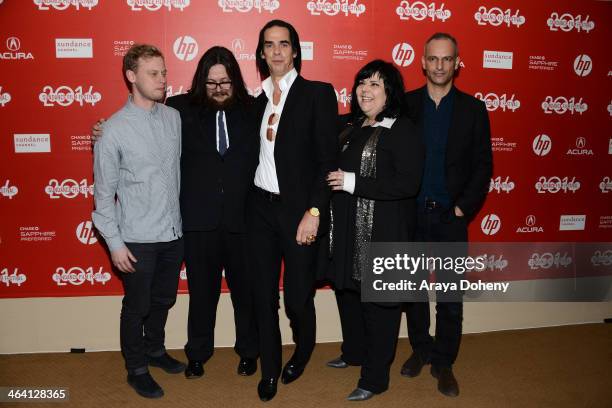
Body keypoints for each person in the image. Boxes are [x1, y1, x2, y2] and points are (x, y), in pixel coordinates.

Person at [92, 47, 260, 379]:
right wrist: (103, 131)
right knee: (200, 295)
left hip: (244, 222)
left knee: (246, 294)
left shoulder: (255, 109)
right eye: (211, 82)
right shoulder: (180, 109)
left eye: (224, 81)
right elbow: (136, 123)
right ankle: (197, 353)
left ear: (235, 80)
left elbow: (293, 132)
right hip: (197, 224)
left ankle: (249, 351)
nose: (218, 87)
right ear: (201, 81)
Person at [247, 19, 338, 401]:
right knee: (262, 295)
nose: (278, 51)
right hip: (260, 212)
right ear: (262, 53)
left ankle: (302, 350)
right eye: (270, 45)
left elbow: (327, 161)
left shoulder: (317, 94)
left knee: (298, 297)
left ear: (296, 50)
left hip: (299, 213)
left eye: (284, 43)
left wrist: (314, 212)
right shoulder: (256, 102)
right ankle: (269, 369)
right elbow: (202, 111)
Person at [325, 59, 424, 401]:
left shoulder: (403, 130)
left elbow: (407, 184)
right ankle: (354, 353)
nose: (365, 90)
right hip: (349, 229)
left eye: (375, 85)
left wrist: (352, 181)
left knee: (379, 306)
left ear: (390, 92)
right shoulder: (351, 126)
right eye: (362, 83)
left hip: (385, 233)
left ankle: (375, 378)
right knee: (348, 294)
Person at [401, 32, 492, 397]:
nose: (439, 65)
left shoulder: (473, 109)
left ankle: (444, 361)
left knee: (451, 296)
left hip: (449, 218)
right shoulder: (405, 106)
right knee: (414, 292)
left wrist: (461, 209)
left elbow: (483, 166)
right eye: (433, 59)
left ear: (457, 63)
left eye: (446, 59)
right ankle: (421, 349)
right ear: (422, 62)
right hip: (411, 216)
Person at [92, 44, 184, 399]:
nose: (162, 80)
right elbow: (103, 196)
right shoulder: (112, 130)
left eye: (163, 72)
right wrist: (114, 243)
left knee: (163, 300)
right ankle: (136, 368)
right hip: (137, 238)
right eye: (153, 73)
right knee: (137, 307)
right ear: (131, 76)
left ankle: (155, 350)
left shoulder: (173, 117)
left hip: (173, 233)